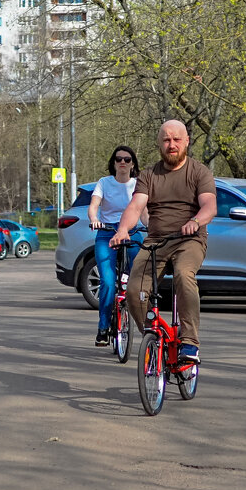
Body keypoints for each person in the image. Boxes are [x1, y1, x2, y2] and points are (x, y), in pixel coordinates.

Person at [111, 120, 216, 364]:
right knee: (134, 291)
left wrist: (196, 221)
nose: (172, 145)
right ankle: (154, 334)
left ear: (186, 141)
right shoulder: (149, 175)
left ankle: (189, 342)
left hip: (189, 240)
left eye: (177, 140)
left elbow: (210, 205)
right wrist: (123, 230)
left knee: (183, 274)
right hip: (156, 241)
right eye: (166, 140)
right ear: (159, 143)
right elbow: (136, 205)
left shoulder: (199, 172)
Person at [88, 146, 146, 347]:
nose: (122, 162)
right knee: (107, 281)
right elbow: (94, 206)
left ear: (133, 163)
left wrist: (152, 227)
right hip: (107, 233)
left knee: (137, 277)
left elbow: (144, 213)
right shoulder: (104, 183)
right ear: (113, 163)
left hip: (132, 233)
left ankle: (137, 316)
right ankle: (103, 328)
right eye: (118, 159)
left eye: (127, 159)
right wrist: (95, 219)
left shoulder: (138, 185)